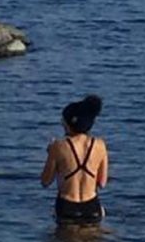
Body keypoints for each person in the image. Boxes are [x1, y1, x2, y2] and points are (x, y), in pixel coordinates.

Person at [41, 95, 109, 224]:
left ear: (68, 125)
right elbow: (102, 183)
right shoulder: (100, 145)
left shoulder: (58, 146)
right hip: (92, 207)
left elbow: (45, 181)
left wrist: (51, 154)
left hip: (67, 207)